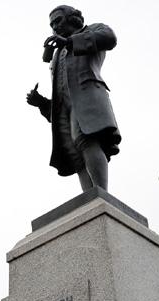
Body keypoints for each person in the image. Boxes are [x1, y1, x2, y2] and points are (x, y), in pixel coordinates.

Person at [26, 5, 121, 191]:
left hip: (87, 98)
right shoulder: (57, 54)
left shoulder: (90, 31)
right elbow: (62, 90)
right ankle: (90, 198)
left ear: (72, 18)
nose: (55, 26)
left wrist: (69, 42)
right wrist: (42, 103)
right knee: (75, 153)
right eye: (52, 24)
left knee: (86, 140)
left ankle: (101, 194)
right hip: (65, 109)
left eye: (58, 20)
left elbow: (110, 38)